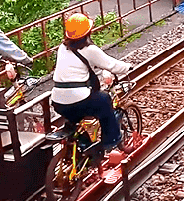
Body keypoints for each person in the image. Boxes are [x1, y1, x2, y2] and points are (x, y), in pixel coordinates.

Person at [51, 13, 133, 174]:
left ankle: (84, 147)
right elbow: (111, 65)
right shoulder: (90, 50)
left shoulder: (62, 48)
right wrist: (128, 67)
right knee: (104, 100)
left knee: (76, 119)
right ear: (88, 32)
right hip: (79, 100)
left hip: (58, 101)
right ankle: (111, 140)